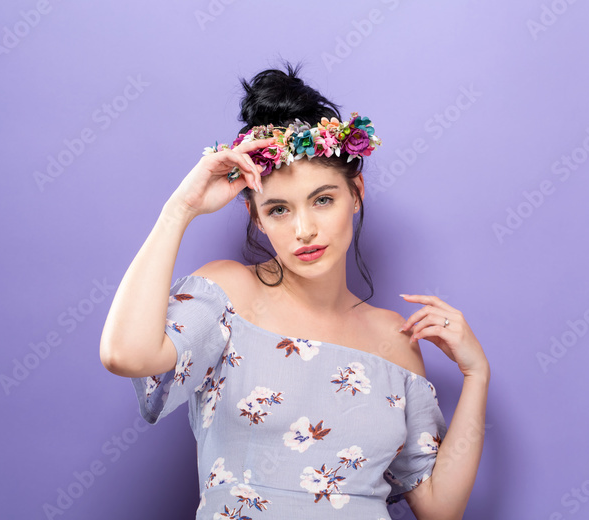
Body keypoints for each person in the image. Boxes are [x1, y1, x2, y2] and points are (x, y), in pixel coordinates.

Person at [99, 61, 489, 519]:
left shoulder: (394, 340)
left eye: (323, 200)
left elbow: (440, 508)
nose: (304, 229)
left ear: (356, 192)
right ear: (257, 218)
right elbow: (124, 355)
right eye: (280, 209)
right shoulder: (230, 295)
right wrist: (179, 210)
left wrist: (476, 374)